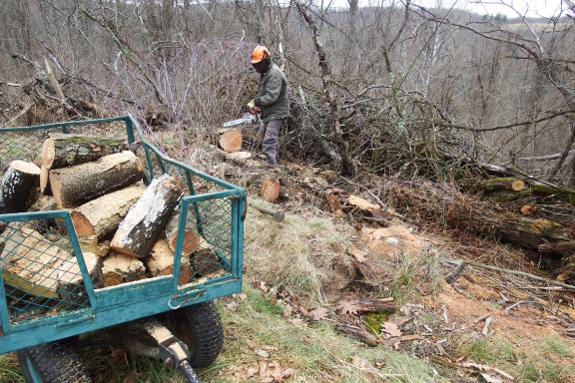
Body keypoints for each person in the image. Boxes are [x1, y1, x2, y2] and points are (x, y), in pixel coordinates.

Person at [247, 46, 290, 167]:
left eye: (260, 65)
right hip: (269, 112)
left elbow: (271, 96)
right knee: (262, 136)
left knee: (269, 139)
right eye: (257, 65)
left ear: (267, 60)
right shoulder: (266, 74)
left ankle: (271, 167)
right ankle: (265, 162)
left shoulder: (274, 74)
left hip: (277, 112)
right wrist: (259, 107)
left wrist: (256, 102)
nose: (258, 67)